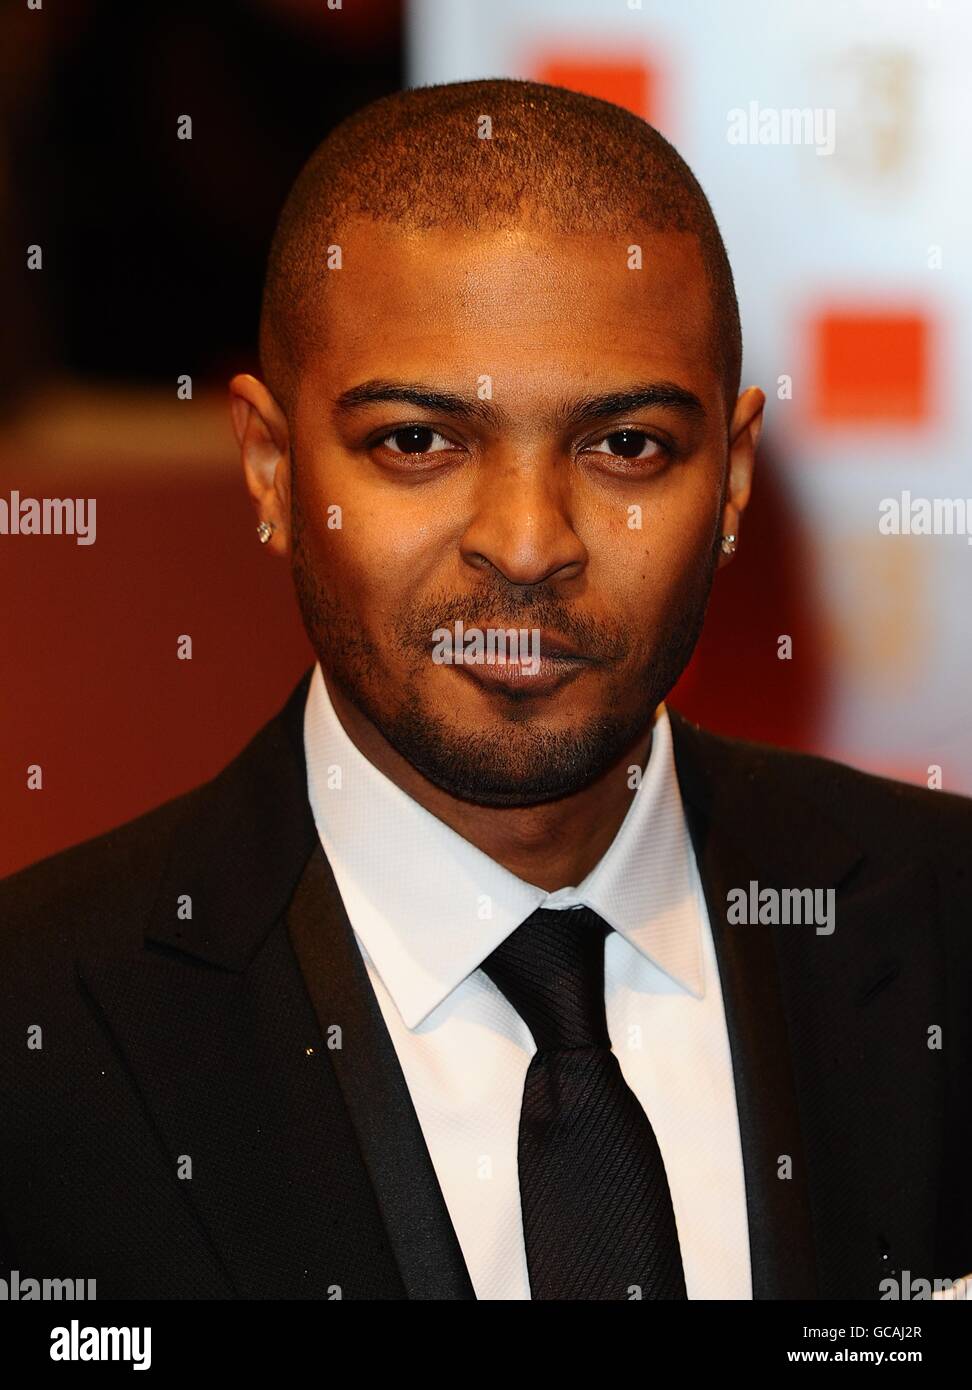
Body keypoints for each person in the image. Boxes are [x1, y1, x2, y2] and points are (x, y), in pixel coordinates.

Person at [1, 78, 970, 1302]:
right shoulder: (36, 1031)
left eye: (626, 446)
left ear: (730, 483)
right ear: (270, 469)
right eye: (417, 440)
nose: (526, 542)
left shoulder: (944, 921)